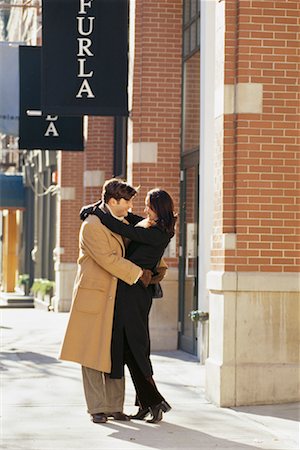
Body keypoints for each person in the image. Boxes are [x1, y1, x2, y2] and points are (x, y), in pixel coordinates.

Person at [59, 179, 153, 424]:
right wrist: (138, 274)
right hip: (95, 297)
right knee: (91, 355)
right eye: (127, 201)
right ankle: (97, 408)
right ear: (113, 202)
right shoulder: (92, 225)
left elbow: (141, 242)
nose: (131, 206)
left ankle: (114, 406)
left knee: (115, 353)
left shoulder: (122, 221)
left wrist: (156, 268)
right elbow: (107, 259)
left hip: (118, 297)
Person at [84, 188, 177, 423]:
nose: (144, 210)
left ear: (158, 209)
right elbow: (126, 218)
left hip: (135, 295)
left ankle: (155, 402)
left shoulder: (159, 233)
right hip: (127, 291)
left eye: (148, 206)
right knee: (127, 348)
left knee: (136, 348)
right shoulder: (151, 224)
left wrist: (95, 213)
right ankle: (145, 403)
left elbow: (121, 227)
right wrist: (97, 205)